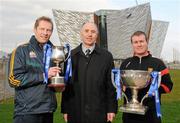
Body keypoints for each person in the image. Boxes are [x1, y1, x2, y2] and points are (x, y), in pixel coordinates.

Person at [61, 22, 118, 123]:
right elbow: (67, 86)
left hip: (99, 111)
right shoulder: (70, 56)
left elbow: (111, 85)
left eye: (93, 31)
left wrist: (111, 109)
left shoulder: (106, 56)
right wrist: (65, 109)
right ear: (81, 33)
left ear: (97, 35)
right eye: (86, 31)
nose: (89, 34)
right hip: (75, 111)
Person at [8, 16, 60, 123]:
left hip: (47, 110)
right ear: (35, 29)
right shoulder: (21, 50)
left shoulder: (54, 52)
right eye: (42, 29)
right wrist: (44, 75)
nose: (45, 33)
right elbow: (13, 79)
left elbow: (53, 79)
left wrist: (58, 84)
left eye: (48, 30)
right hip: (27, 112)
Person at [120, 31, 173, 123]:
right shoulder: (126, 63)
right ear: (132, 44)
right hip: (129, 115)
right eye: (135, 42)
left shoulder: (158, 63)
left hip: (151, 115)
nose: (139, 44)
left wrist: (154, 88)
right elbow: (119, 84)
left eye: (141, 41)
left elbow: (168, 86)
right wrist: (120, 87)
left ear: (146, 42)